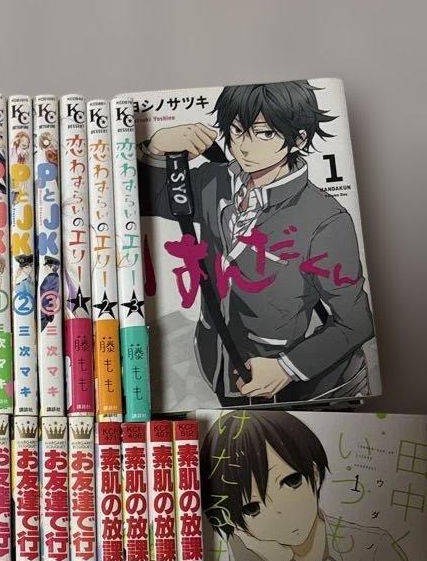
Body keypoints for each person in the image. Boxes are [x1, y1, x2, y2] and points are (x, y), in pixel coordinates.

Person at [138, 80, 376, 405]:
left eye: (265, 134)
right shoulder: (214, 180)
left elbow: (356, 321)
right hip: (220, 363)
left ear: (298, 139)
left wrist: (287, 368)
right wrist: (155, 149)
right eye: (237, 130)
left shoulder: (325, 218)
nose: (245, 147)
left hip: (305, 385)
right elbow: (147, 200)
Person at [201, 410, 427, 561]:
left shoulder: (372, 549)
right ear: (234, 521)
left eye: (291, 481)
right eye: (252, 508)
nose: (281, 512)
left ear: (315, 474)